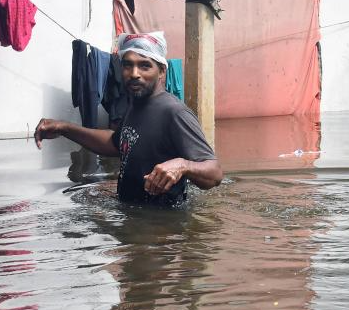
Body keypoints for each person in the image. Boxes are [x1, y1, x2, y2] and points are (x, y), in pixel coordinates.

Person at [35, 31, 223, 206]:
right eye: (127, 65)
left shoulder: (174, 112)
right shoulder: (136, 104)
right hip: (131, 215)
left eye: (144, 65)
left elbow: (214, 173)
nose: (134, 74)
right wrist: (64, 128)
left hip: (162, 228)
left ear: (162, 71)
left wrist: (184, 165)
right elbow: (117, 143)